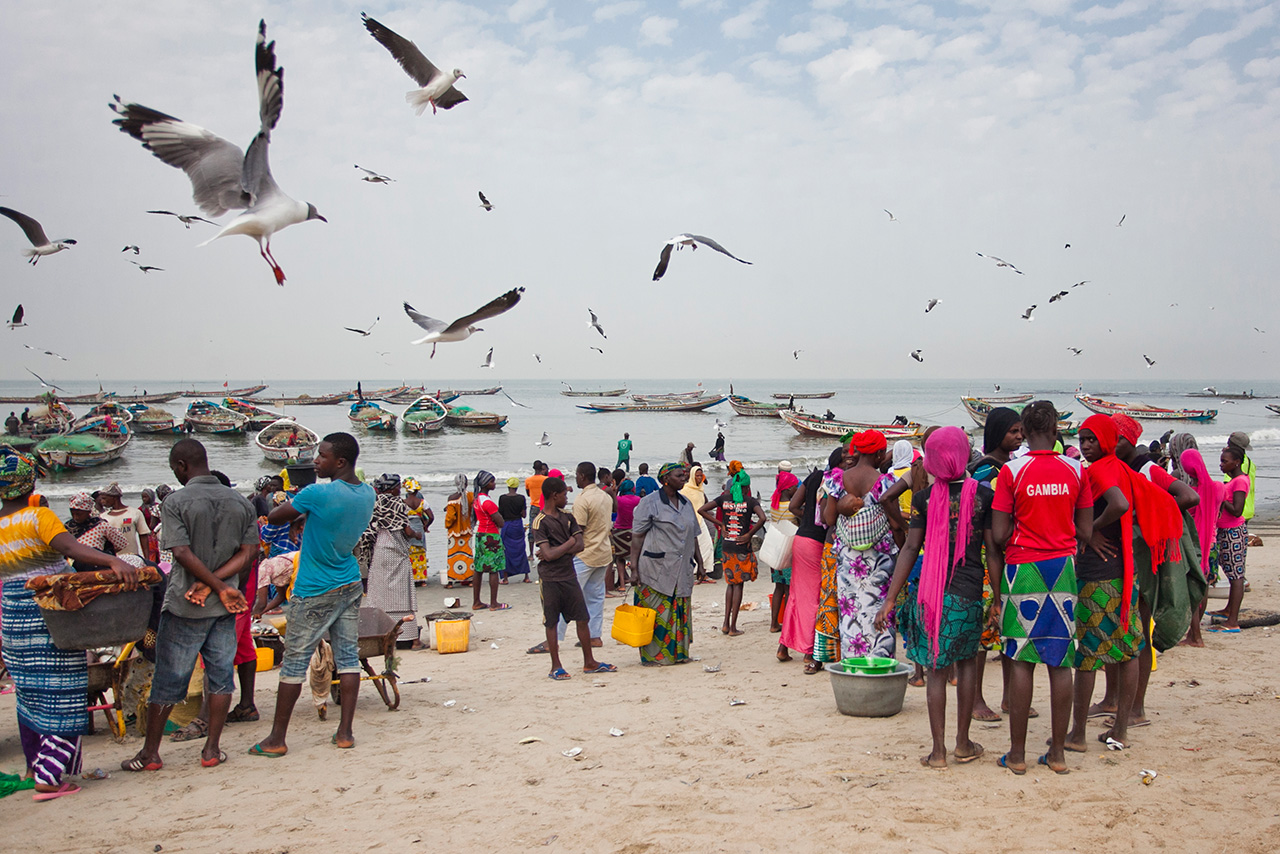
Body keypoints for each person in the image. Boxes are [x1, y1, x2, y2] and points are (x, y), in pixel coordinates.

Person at [0, 448, 144, 800]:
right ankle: (49, 777)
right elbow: (71, 548)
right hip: (49, 614)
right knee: (64, 691)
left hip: (10, 618)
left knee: (31, 695)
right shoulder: (39, 517)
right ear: (29, 482)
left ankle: (39, 765)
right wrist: (114, 562)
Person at [121, 439, 258, 773]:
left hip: (186, 606)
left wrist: (206, 583)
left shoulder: (175, 501)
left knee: (170, 678)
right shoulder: (240, 501)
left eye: (174, 469)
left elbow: (180, 553)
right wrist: (221, 586)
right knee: (221, 676)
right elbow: (248, 552)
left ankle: (151, 753)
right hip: (226, 606)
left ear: (182, 466)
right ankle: (212, 749)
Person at [876, 427, 996, 768]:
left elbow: (911, 548)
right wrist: (998, 597)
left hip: (930, 593)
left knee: (935, 671)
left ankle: (938, 752)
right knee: (967, 662)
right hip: (969, 593)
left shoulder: (923, 498)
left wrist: (890, 598)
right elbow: (992, 550)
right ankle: (962, 743)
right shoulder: (982, 495)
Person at [250, 432, 375, 756]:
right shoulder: (366, 494)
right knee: (347, 659)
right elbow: (332, 520)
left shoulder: (316, 493)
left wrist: (298, 499)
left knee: (294, 663)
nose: (316, 460)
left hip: (314, 588)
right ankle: (345, 732)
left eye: (321, 456)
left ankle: (277, 739)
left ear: (340, 461)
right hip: (348, 581)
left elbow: (276, 517)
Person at [991, 401, 1093, 775]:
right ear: (1055, 430)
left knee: (1021, 657)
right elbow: (1085, 530)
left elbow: (1000, 534)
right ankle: (1059, 755)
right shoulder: (1077, 470)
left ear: (1025, 429)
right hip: (1063, 569)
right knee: (1059, 659)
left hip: (1023, 569)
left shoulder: (1011, 472)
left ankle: (1016, 755)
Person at [967, 407, 1023, 723]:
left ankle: (1008, 697)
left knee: (1008, 632)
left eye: (1021, 431)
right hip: (989, 559)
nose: (1019, 436)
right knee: (983, 636)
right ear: (998, 432)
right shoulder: (985, 470)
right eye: (1013, 431)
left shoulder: (1012, 467)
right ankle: (976, 700)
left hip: (1010, 556)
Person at [824, 431, 901, 660]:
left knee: (851, 615)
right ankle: (880, 664)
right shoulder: (885, 482)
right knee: (880, 612)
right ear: (879, 454)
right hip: (880, 561)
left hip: (848, 562)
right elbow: (895, 524)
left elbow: (828, 520)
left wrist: (844, 507)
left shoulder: (836, 479)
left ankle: (854, 666)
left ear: (857, 451)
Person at [529, 477, 615, 679]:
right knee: (551, 621)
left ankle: (589, 661)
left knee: (582, 617)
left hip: (568, 574)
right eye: (564, 495)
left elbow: (580, 545)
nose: (567, 498)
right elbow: (551, 554)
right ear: (554, 495)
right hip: (550, 578)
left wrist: (559, 548)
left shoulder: (567, 517)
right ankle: (555, 666)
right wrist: (568, 544)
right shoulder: (540, 521)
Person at [629, 463, 704, 666]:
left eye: (684, 475)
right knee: (656, 613)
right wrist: (633, 568)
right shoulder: (649, 503)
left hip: (682, 569)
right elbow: (637, 537)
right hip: (655, 568)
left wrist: (700, 562)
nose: (683, 478)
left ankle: (679, 654)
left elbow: (694, 535)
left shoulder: (686, 503)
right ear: (665, 479)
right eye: (679, 475)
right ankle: (653, 657)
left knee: (679, 609)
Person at [781, 448, 841, 674]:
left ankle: (783, 647)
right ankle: (809, 650)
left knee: (796, 595)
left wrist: (807, 517)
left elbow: (793, 506)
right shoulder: (834, 481)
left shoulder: (815, 476)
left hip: (801, 539)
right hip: (817, 543)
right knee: (816, 596)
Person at [700, 462, 766, 636]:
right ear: (747, 487)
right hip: (742, 547)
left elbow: (702, 510)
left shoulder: (724, 499)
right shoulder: (749, 501)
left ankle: (725, 624)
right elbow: (762, 518)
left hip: (728, 546)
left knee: (730, 584)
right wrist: (749, 534)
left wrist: (721, 524)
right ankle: (733, 627)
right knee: (739, 586)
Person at [357, 474, 424, 647]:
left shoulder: (375, 502)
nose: (399, 490)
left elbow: (369, 529)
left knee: (380, 595)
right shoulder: (397, 503)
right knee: (402, 596)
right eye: (398, 487)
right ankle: (411, 638)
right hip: (396, 551)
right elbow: (407, 530)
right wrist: (417, 534)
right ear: (393, 488)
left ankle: (381, 635)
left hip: (380, 550)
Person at [562, 462, 613, 646]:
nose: (575, 477)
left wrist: (564, 551)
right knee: (596, 596)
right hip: (603, 551)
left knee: (567, 595)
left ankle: (555, 637)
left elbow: (578, 531)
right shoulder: (605, 496)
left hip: (585, 553)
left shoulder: (582, 499)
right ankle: (594, 636)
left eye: (576, 474)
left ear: (582, 476)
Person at [1180, 447, 1224, 647]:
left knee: (1191, 588)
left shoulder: (1190, 494)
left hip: (1193, 546)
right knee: (1203, 587)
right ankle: (1195, 632)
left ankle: (1195, 634)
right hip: (1212, 544)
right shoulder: (1218, 488)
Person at [1210, 444, 1250, 632]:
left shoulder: (1239, 481)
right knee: (1229, 569)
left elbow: (1237, 510)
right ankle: (1228, 610)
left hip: (1233, 531)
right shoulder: (1232, 480)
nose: (1221, 465)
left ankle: (1232, 620)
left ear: (1236, 462)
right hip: (1225, 530)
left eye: (1224, 462)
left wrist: (1221, 497)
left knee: (1236, 575)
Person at [768, 462, 800, 638]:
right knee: (789, 589)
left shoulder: (774, 504)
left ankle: (774, 623)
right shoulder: (792, 507)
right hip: (788, 551)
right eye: (795, 486)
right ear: (789, 489)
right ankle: (788, 623)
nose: (797, 489)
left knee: (778, 587)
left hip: (775, 549)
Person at [470, 471, 509, 610]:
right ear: (486, 484)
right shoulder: (487, 502)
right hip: (490, 535)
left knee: (479, 568)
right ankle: (494, 603)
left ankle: (476, 601)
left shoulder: (477, 499)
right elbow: (500, 521)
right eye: (492, 482)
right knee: (494, 568)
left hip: (480, 533)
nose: (494, 484)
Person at [64, 491, 131, 568]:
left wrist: (102, 554)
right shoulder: (67, 527)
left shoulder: (101, 525)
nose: (76, 517)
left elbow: (121, 543)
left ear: (88, 512)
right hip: (72, 567)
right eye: (73, 514)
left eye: (79, 514)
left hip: (97, 566)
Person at [679, 465, 715, 584]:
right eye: (697, 476)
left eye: (701, 476)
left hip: (701, 521)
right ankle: (694, 573)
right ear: (692, 476)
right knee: (694, 549)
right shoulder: (685, 490)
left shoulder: (700, 490)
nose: (699, 478)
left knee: (708, 545)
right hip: (690, 522)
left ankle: (704, 572)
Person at [98, 482, 153, 558]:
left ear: (114, 498)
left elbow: (143, 535)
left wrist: (147, 559)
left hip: (132, 556)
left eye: (104, 498)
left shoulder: (134, 513)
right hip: (113, 559)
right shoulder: (103, 517)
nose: (102, 501)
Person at [443, 474, 475, 588]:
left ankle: (452, 580)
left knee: (453, 556)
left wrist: (447, 525)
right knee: (467, 555)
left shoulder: (452, 498)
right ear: (466, 484)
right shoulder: (471, 496)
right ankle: (469, 579)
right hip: (467, 530)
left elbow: (450, 518)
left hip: (454, 532)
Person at [498, 477, 531, 583]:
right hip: (517, 525)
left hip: (506, 525)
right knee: (521, 549)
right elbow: (524, 514)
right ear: (517, 487)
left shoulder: (502, 498)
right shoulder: (521, 498)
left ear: (508, 486)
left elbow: (500, 514)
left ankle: (506, 578)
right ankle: (526, 576)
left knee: (506, 551)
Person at [611, 478, 641, 593]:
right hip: (634, 531)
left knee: (619, 558)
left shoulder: (618, 499)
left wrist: (617, 489)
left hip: (619, 531)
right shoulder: (638, 500)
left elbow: (613, 505)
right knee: (636, 557)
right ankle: (637, 580)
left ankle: (622, 584)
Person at [403, 478, 433, 585]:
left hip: (408, 529)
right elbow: (431, 517)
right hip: (419, 528)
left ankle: (410, 579)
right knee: (420, 552)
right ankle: (421, 579)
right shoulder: (422, 502)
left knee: (409, 553)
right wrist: (425, 526)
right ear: (417, 491)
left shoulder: (403, 503)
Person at [1224, 431, 1256, 524]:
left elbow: (1227, 485)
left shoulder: (1234, 463)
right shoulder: (1249, 462)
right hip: (1248, 507)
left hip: (1238, 509)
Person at [525, 461, 549, 559]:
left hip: (534, 505)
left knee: (532, 528)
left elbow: (528, 494)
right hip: (544, 505)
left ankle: (531, 554)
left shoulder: (528, 480)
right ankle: (544, 551)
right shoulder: (546, 479)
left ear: (533, 468)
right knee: (546, 528)